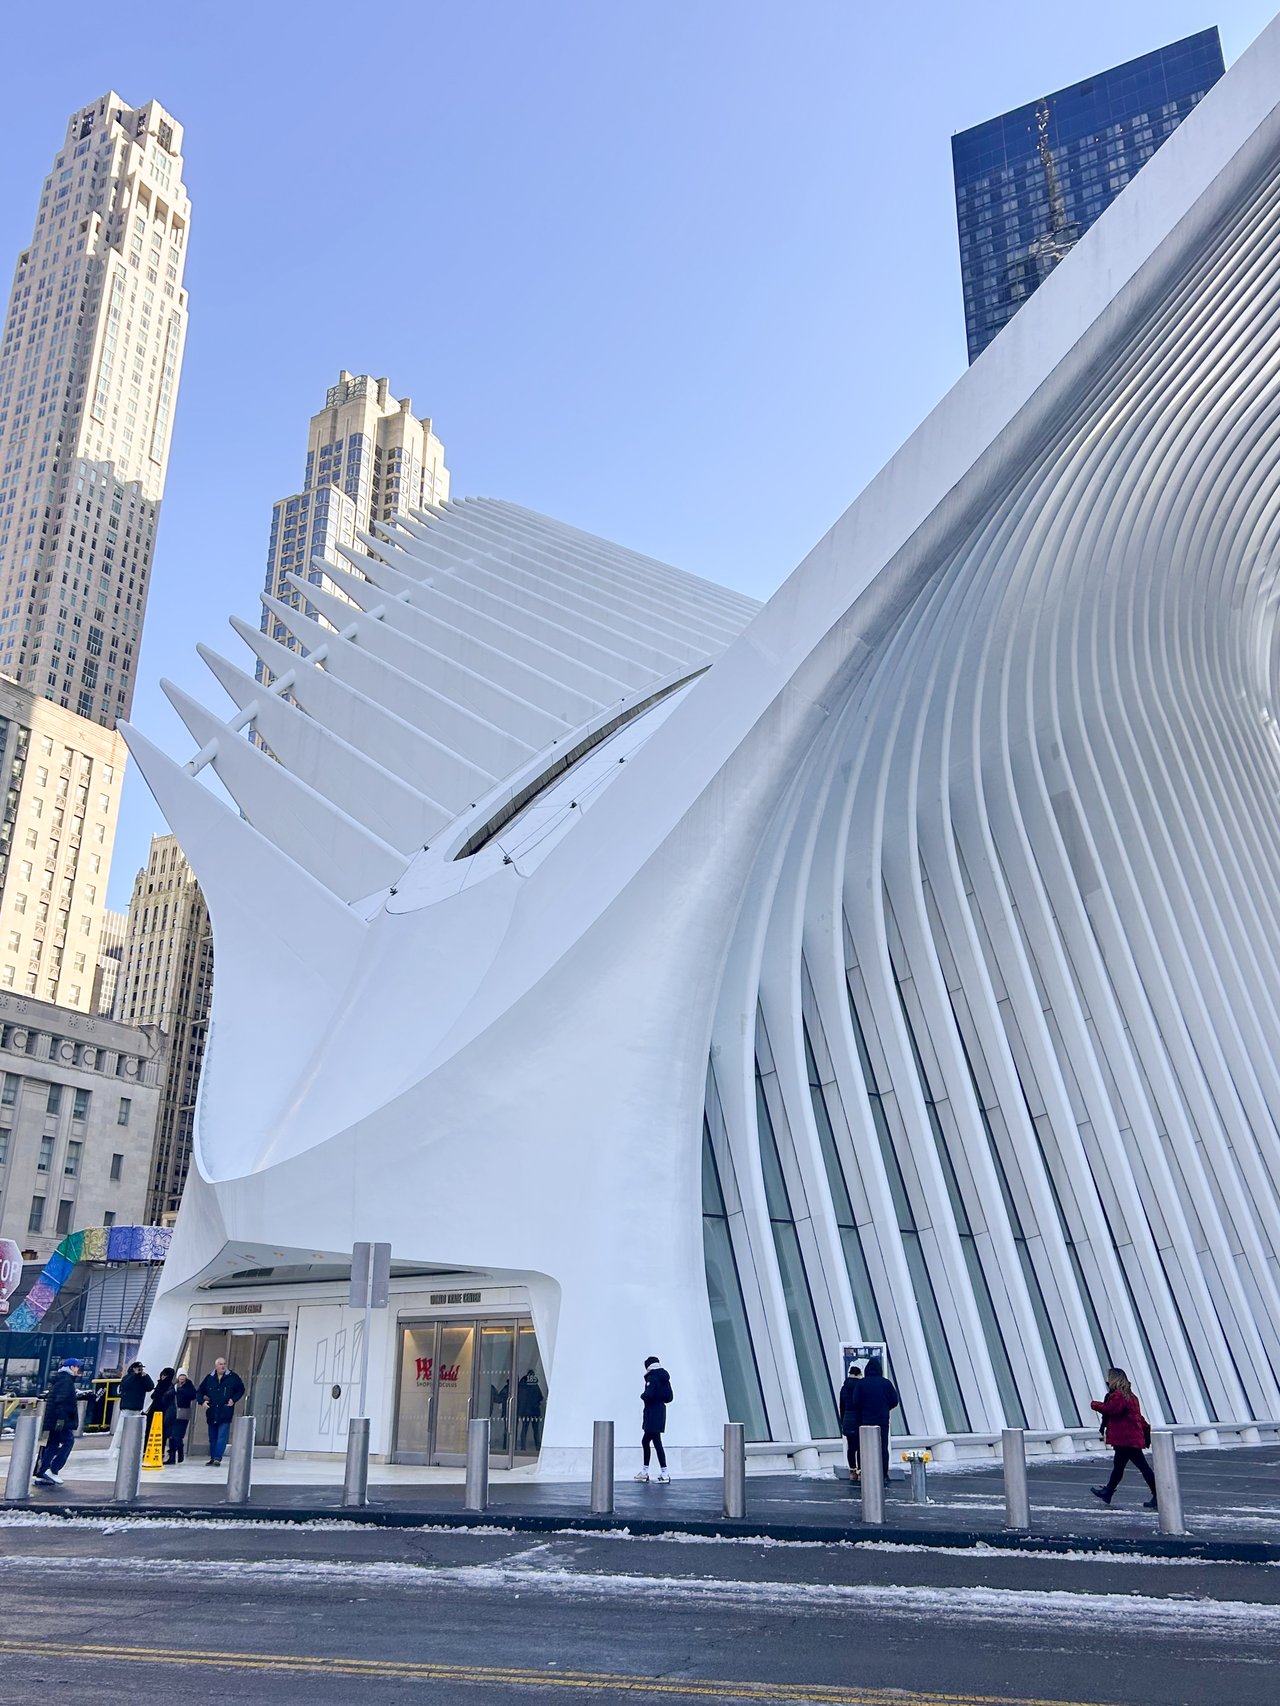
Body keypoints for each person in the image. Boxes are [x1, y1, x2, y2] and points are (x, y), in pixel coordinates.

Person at [1090, 1368, 1157, 1510]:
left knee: (1140, 1467)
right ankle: (1108, 1492)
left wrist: (1095, 1405)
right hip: (1130, 1438)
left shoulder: (1118, 1396)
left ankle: (1158, 1494)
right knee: (1120, 1466)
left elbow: (1111, 1409)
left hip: (1125, 1439)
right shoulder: (1131, 1396)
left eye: (1109, 1378)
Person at [848, 1355, 899, 1487]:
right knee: (883, 1447)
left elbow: (856, 1402)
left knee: (866, 1448)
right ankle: (883, 1473)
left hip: (866, 1420)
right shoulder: (886, 1383)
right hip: (882, 1420)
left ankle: (866, 1472)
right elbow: (894, 1400)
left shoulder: (861, 1384)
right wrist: (885, 1408)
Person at [33, 1357, 83, 1486]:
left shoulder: (60, 1379)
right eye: (77, 1366)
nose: (78, 1369)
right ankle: (53, 1469)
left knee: (53, 1444)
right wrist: (62, 1420)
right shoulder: (66, 1381)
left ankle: (42, 1473)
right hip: (61, 1419)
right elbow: (61, 1401)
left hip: (55, 1419)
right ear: (71, 1367)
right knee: (68, 1442)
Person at [197, 1356, 246, 1466]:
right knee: (212, 1436)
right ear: (216, 1366)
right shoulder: (209, 1378)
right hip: (212, 1411)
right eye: (220, 1364)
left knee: (222, 1436)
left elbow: (241, 1389)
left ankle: (218, 1458)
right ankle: (213, 1457)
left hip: (225, 1411)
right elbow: (199, 1391)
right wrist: (202, 1402)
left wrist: (233, 1400)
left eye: (224, 1364)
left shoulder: (232, 1377)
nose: (223, 1366)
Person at [634, 1355, 674, 1484]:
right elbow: (669, 1397)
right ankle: (652, 1471)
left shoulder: (652, 1377)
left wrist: (643, 1395)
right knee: (652, 1441)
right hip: (661, 1411)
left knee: (650, 1441)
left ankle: (661, 1472)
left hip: (652, 1413)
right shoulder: (665, 1378)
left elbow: (648, 1394)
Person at [838, 1363, 864, 1481]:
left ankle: (852, 1471)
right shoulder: (861, 1386)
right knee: (860, 1447)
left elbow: (842, 1406)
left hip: (847, 1419)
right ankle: (860, 1471)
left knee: (851, 1447)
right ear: (859, 1374)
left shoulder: (844, 1388)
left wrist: (843, 1421)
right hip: (859, 1419)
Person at [168, 1368, 199, 1464]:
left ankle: (180, 1452)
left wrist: (181, 1391)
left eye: (183, 1376)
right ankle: (172, 1456)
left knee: (178, 1435)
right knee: (171, 1436)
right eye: (180, 1376)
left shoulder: (189, 1386)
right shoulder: (173, 1386)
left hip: (183, 1414)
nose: (182, 1378)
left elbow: (193, 1395)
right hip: (173, 1414)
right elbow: (166, 1397)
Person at [147, 1366, 176, 1462]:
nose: (162, 1377)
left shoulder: (169, 1387)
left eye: (164, 1375)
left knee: (161, 1434)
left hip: (162, 1413)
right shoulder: (161, 1384)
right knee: (151, 1432)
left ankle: (159, 1452)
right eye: (162, 1375)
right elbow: (153, 1395)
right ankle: (149, 1451)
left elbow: (163, 1398)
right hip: (154, 1412)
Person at [516, 1369, 544, 1451]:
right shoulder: (535, 1386)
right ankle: (537, 1447)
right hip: (534, 1410)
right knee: (535, 1430)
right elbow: (540, 1397)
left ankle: (522, 1447)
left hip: (525, 1411)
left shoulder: (522, 1386)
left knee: (524, 1428)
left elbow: (520, 1398)